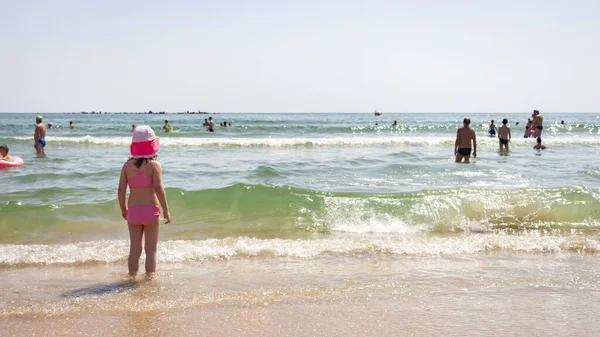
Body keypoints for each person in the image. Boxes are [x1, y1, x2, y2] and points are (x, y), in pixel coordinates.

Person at [118, 125, 171, 279]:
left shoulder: (127, 166)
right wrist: (166, 209)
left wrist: (123, 208)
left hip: (133, 211)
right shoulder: (155, 165)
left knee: (135, 249)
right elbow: (159, 188)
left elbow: (121, 190)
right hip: (151, 211)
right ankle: (149, 279)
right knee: (151, 250)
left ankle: (132, 276)